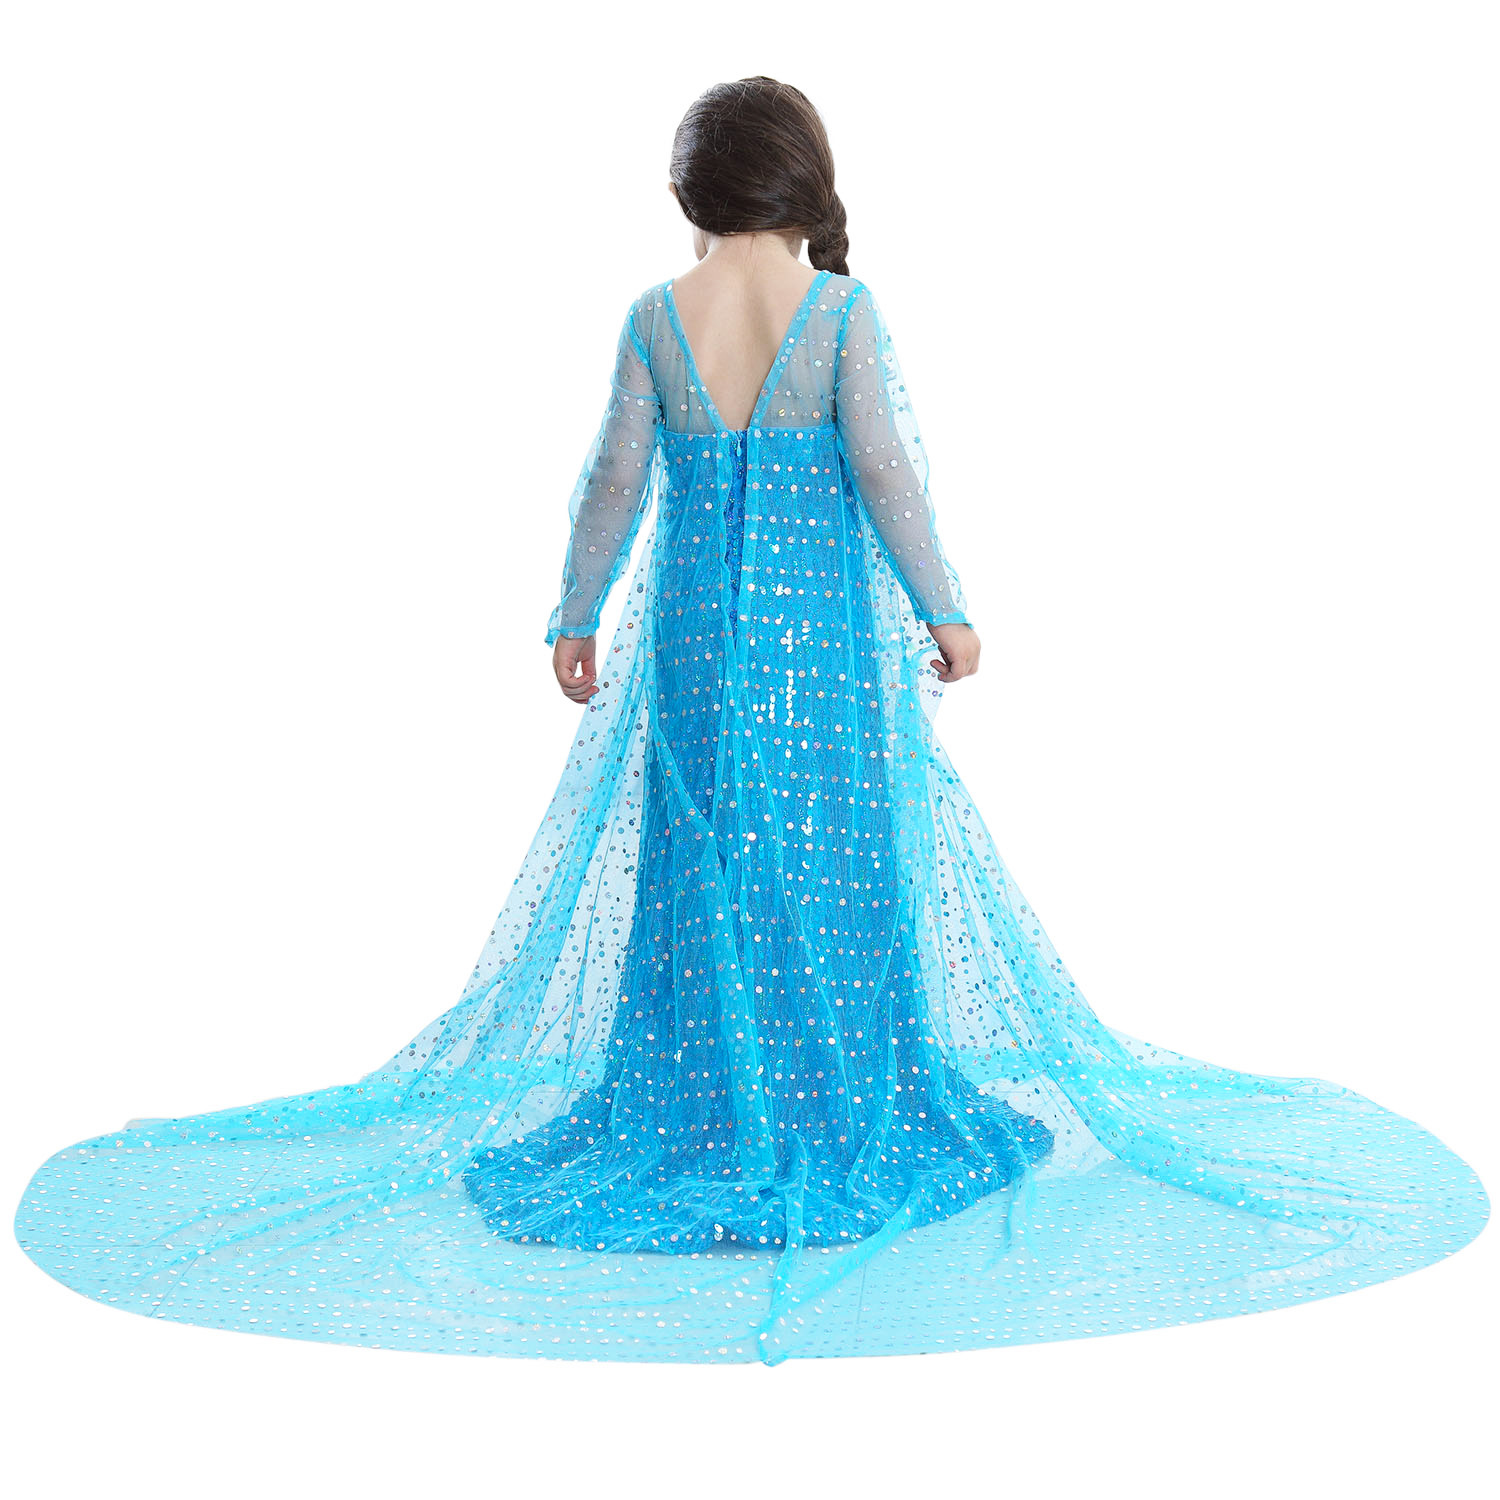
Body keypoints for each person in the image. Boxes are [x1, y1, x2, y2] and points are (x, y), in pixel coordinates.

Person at [14, 76, 1488, 1366]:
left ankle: (706, 1096)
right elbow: (887, 469)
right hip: (825, 645)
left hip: (698, 647)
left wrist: (573, 613)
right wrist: (948, 607)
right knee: (836, 863)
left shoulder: (657, 317)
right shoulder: (840, 312)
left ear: (693, 192)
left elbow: (611, 477)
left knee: (703, 867)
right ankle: (834, 1098)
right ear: (804, 181)